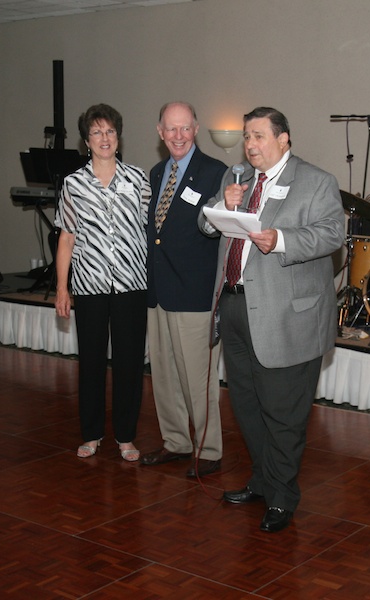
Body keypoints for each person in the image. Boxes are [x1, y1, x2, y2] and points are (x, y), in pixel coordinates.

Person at [199, 107, 346, 533]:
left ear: (284, 140)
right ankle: (263, 481)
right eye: (247, 137)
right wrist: (217, 206)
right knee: (246, 405)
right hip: (234, 306)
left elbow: (332, 234)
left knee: (283, 411)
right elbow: (205, 225)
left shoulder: (316, 182)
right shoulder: (236, 178)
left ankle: (283, 497)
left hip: (287, 316)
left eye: (259, 136)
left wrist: (281, 239)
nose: (250, 145)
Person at [54, 103, 151, 462]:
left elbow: (148, 230)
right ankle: (91, 434)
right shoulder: (73, 184)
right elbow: (66, 237)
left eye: (109, 131)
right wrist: (62, 288)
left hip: (131, 285)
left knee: (128, 364)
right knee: (91, 362)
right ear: (86, 140)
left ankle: (126, 437)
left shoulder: (138, 180)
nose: (104, 138)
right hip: (89, 286)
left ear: (118, 136)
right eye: (96, 132)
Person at [141, 101, 227, 477]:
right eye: (170, 129)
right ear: (160, 133)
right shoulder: (157, 172)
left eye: (185, 128)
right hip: (158, 290)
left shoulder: (215, 173)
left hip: (195, 294)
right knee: (164, 375)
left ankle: (209, 451)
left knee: (198, 379)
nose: (178, 136)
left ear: (195, 130)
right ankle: (176, 442)